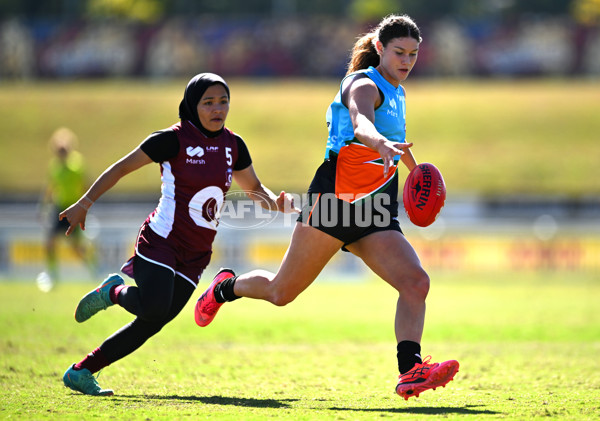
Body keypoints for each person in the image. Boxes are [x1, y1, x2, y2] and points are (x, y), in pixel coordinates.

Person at [194, 15, 459, 400]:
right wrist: (378, 143)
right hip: (334, 203)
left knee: (416, 282)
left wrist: (416, 171)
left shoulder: (399, 93)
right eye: (399, 52)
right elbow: (361, 124)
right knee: (281, 292)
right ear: (381, 49)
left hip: (375, 211)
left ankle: (410, 371)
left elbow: (394, 143)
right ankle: (225, 288)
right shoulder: (362, 83)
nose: (406, 60)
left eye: (414, 54)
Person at [60, 73, 297, 396]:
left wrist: (276, 204)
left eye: (223, 101)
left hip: (197, 253)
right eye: (208, 102)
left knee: (152, 321)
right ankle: (113, 293)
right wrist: (84, 203)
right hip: (161, 241)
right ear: (191, 105)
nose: (218, 109)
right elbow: (120, 168)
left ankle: (82, 371)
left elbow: (253, 188)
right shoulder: (172, 139)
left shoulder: (233, 145)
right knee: (155, 308)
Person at [37, 127, 96, 291]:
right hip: (59, 208)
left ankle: (93, 269)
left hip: (74, 208)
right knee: (50, 241)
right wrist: (43, 207)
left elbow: (86, 185)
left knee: (76, 247)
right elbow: (50, 188)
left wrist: (86, 206)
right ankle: (52, 274)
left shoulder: (77, 165)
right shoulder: (54, 167)